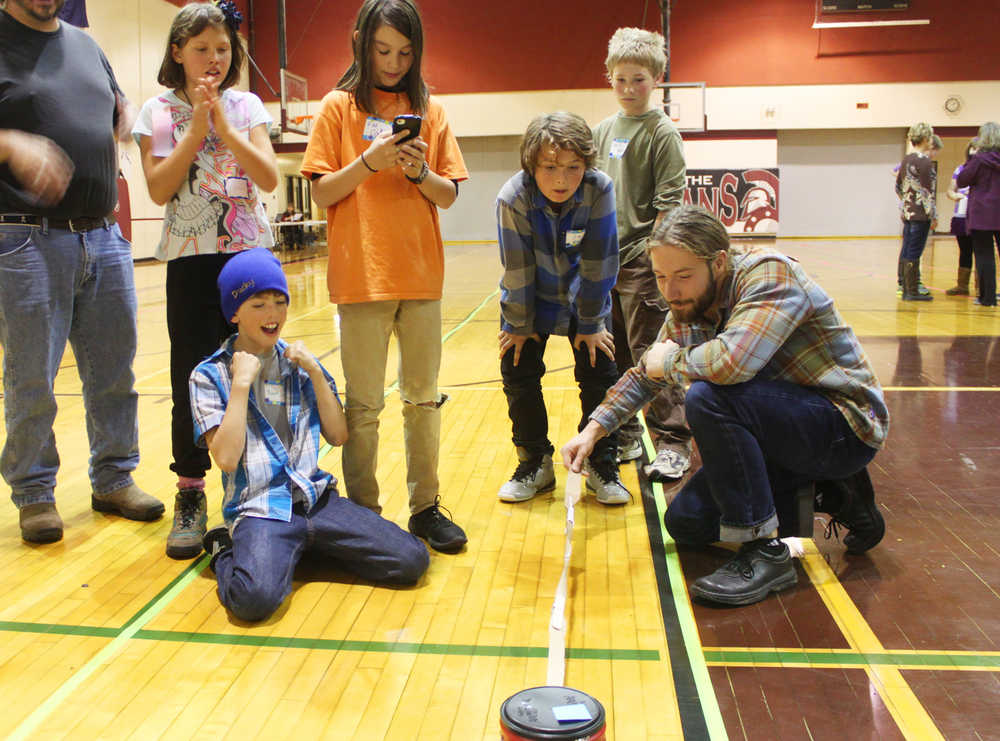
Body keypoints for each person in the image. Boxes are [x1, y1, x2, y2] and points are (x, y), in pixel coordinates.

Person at [562, 206, 889, 606]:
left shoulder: (770, 275)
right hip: (786, 429)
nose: (670, 290)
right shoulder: (690, 302)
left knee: (709, 397)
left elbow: (730, 363)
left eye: (682, 276)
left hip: (845, 425)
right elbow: (647, 372)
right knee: (686, 524)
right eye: (661, 277)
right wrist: (594, 429)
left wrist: (671, 363)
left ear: (718, 262)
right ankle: (839, 492)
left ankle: (764, 551)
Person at [301, 0, 468, 553]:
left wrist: (419, 171)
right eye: (382, 50)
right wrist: (371, 161)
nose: (394, 62)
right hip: (360, 278)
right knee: (364, 406)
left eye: (404, 51)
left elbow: (448, 194)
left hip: (421, 277)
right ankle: (364, 511)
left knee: (423, 400)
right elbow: (322, 192)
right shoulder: (335, 108)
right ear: (360, 42)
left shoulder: (431, 110)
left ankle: (425, 507)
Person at [0, 0, 164, 543]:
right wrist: (8, 142)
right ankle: (35, 492)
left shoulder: (87, 45)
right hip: (25, 238)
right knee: (33, 378)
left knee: (115, 371)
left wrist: (123, 110)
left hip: (103, 233)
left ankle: (114, 477)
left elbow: (114, 105)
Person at [191, 249, 429, 622]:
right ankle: (224, 548)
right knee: (253, 600)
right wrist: (239, 387)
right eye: (259, 305)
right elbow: (225, 458)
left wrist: (317, 374)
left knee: (412, 560)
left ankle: (300, 547)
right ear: (234, 312)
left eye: (279, 302)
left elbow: (338, 434)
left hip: (317, 500)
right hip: (262, 510)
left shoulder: (297, 362)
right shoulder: (207, 376)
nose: (273, 315)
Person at [132, 1, 278, 559]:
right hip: (192, 262)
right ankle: (190, 491)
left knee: (259, 371)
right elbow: (159, 189)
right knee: (190, 377)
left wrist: (225, 128)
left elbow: (266, 174)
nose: (214, 59)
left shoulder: (247, 105)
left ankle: (260, 484)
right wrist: (196, 128)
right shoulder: (157, 111)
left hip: (247, 259)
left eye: (223, 49)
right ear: (177, 52)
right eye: (201, 50)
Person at [495, 112, 629, 505]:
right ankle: (534, 461)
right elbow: (516, 266)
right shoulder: (513, 197)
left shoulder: (599, 189)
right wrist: (519, 323)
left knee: (599, 371)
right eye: (550, 168)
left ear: (586, 166)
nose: (561, 179)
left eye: (573, 168)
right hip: (529, 296)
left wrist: (589, 323)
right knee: (518, 370)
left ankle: (602, 463)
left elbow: (601, 260)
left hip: (584, 295)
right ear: (531, 165)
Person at [592, 27, 691, 482]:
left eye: (639, 80)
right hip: (604, 264)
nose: (629, 90)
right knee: (614, 354)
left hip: (642, 264)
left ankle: (673, 440)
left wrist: (653, 261)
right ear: (609, 78)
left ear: (657, 79)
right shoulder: (604, 131)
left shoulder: (662, 133)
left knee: (653, 353)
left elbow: (668, 206)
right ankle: (629, 431)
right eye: (620, 80)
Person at [957, 122, 1000, 308]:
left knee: (984, 256)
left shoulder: (979, 159)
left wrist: (970, 159)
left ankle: (987, 298)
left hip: (982, 214)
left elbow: (962, 179)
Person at [895, 122, 937, 302]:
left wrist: (906, 204)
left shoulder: (906, 160)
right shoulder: (924, 161)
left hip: (908, 213)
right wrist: (933, 215)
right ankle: (912, 291)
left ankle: (905, 286)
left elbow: (898, 187)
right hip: (921, 214)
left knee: (906, 249)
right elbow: (927, 192)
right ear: (926, 138)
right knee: (915, 250)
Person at [945, 140, 978, 296]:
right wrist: (956, 196)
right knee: (965, 251)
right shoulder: (960, 169)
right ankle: (962, 286)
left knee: (981, 251)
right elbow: (950, 190)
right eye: (972, 149)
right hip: (961, 215)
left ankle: (982, 287)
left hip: (979, 216)